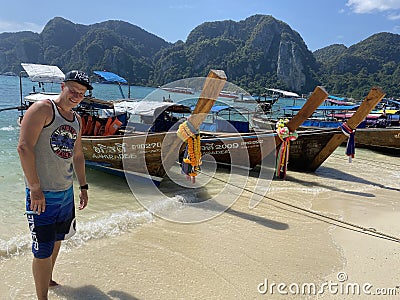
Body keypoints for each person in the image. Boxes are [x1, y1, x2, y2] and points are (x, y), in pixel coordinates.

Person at [17, 70, 93, 300]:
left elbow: (77, 155)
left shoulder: (77, 119)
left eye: (81, 93)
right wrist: (35, 188)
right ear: (63, 86)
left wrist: (83, 186)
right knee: (42, 249)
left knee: (58, 239)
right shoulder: (43, 109)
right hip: (42, 193)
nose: (77, 96)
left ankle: (47, 278)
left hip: (65, 192)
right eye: (73, 90)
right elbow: (24, 147)